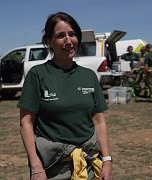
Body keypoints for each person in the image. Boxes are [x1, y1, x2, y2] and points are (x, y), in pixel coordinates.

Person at [18, 12, 112, 180]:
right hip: (53, 167)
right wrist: (36, 167)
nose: (68, 41)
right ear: (49, 42)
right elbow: (26, 123)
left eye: (72, 34)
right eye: (61, 36)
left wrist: (107, 161)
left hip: (89, 163)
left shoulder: (89, 76)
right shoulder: (38, 75)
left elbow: (99, 121)